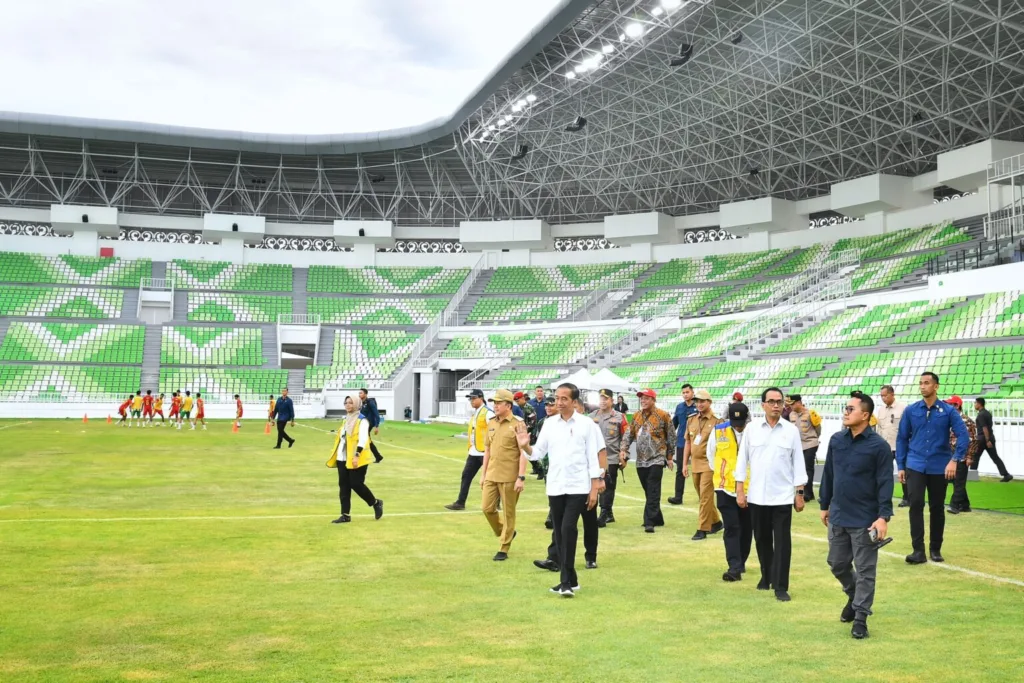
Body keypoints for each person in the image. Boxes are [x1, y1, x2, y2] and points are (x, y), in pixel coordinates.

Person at [819, 392, 893, 640]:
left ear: (865, 415)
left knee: (865, 571)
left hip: (865, 519)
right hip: (838, 515)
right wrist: (824, 503)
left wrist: (883, 517)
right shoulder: (836, 440)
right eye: (845, 408)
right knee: (837, 564)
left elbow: (885, 483)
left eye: (850, 409)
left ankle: (861, 616)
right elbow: (828, 473)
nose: (845, 412)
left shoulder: (879, 446)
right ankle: (853, 596)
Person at [521, 383, 604, 597]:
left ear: (574, 401)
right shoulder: (549, 424)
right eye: (557, 398)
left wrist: (595, 487)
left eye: (564, 398)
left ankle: (565, 582)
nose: (559, 402)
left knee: (568, 529)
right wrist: (525, 445)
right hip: (556, 485)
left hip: (579, 485)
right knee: (559, 533)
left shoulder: (587, 424)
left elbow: (593, 457)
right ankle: (572, 578)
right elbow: (537, 453)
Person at [735, 387, 806, 602]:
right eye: (771, 401)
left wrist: (799, 492)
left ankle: (781, 585)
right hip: (757, 496)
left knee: (783, 542)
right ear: (763, 405)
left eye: (779, 401)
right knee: (762, 539)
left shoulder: (791, 430)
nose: (776, 405)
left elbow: (798, 463)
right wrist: (740, 489)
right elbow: (742, 460)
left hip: (783, 496)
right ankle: (766, 576)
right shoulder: (752, 429)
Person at [896, 372, 968, 564]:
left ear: (936, 386)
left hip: (939, 466)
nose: (922, 386)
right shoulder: (911, 410)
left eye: (926, 383)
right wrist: (901, 465)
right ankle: (917, 551)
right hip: (915, 464)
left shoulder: (949, 411)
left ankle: (935, 549)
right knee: (916, 504)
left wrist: (955, 460)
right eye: (920, 383)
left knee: (937, 507)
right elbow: (902, 438)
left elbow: (963, 436)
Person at [480, 389, 529, 561]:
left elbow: (524, 452)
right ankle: (505, 532)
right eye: (494, 403)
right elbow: (487, 449)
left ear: (508, 405)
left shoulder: (518, 424)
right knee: (487, 508)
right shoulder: (492, 423)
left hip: (510, 476)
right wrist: (483, 474)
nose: (495, 406)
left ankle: (504, 548)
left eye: (498, 403)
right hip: (492, 474)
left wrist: (521, 477)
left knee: (509, 513)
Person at [621, 388, 676, 533]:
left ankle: (649, 521)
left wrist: (670, 457)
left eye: (646, 398)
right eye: (641, 398)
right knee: (649, 490)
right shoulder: (637, 416)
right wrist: (624, 449)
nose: (643, 401)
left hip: (657, 458)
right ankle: (657, 517)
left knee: (652, 488)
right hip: (641, 459)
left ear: (653, 400)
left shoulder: (663, 415)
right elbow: (629, 434)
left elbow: (671, 437)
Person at [708, 401, 752, 581]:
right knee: (732, 527)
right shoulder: (719, 431)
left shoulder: (754, 432)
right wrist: (721, 473)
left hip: (750, 488)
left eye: (741, 423)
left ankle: (741, 561)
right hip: (724, 487)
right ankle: (734, 566)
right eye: (735, 424)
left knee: (747, 528)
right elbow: (711, 455)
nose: (738, 427)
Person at [326, 395, 383, 523]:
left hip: (357, 458)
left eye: (350, 403)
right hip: (343, 458)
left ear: (357, 404)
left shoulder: (362, 420)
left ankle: (375, 503)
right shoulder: (346, 420)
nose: (347, 405)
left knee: (356, 484)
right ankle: (345, 515)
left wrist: (356, 455)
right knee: (344, 486)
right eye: (346, 403)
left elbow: (363, 439)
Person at [682, 389, 724, 540]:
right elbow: (688, 442)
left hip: (710, 464)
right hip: (695, 463)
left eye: (702, 401)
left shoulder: (717, 421)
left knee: (706, 497)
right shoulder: (691, 419)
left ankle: (702, 528)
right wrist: (684, 464)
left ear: (709, 402)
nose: (699, 404)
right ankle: (717, 522)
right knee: (702, 496)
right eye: (697, 401)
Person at [445, 389, 493, 510]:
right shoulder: (476, 413)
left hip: (484, 452)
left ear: (481, 398)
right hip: (474, 451)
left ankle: (495, 503)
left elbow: (494, 430)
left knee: (490, 479)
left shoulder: (488, 413)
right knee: (466, 476)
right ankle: (461, 502)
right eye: (470, 398)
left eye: (473, 398)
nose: (471, 401)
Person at [592, 389, 627, 526]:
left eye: (605, 399)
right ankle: (608, 513)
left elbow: (626, 436)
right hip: (593, 458)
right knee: (594, 485)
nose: (602, 401)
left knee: (608, 486)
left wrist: (624, 454)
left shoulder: (619, 417)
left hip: (611, 457)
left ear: (612, 401)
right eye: (601, 398)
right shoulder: (591, 416)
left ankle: (604, 513)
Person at [876, 385, 908, 507]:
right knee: (885, 474)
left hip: (900, 446)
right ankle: (885, 497)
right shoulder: (881, 410)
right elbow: (880, 429)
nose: (883, 398)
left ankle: (907, 498)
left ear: (892, 394)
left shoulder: (903, 408)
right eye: (881, 396)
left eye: (885, 395)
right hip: (885, 446)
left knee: (903, 472)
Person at [786, 394, 822, 502]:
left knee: (807, 468)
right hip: (797, 445)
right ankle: (805, 492)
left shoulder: (811, 413)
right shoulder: (791, 414)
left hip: (810, 444)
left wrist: (813, 439)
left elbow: (818, 429)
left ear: (798, 403)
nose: (791, 406)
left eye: (792, 404)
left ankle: (807, 493)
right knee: (797, 468)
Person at [947, 396, 979, 515]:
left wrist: (970, 456)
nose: (947, 407)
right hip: (950, 456)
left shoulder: (967, 421)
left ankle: (954, 505)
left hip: (962, 455)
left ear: (957, 406)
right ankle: (965, 505)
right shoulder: (948, 420)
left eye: (950, 404)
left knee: (959, 481)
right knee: (956, 481)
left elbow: (973, 440)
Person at [669, 384, 697, 505]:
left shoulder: (699, 406)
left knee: (701, 469)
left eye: (687, 392)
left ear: (692, 393)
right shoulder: (679, 407)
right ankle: (678, 497)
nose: (685, 394)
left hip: (697, 443)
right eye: (683, 392)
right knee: (680, 470)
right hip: (682, 442)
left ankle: (705, 495)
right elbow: (674, 423)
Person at [974, 398, 1013, 482]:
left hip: (983, 439)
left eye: (975, 403)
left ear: (979, 404)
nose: (974, 405)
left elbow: (984, 428)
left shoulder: (981, 415)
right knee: (995, 457)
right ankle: (1006, 474)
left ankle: (972, 474)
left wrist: (987, 440)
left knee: (975, 456)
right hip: (990, 437)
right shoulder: (987, 413)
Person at [359, 388, 385, 463]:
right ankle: (378, 456)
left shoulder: (370, 402)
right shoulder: (361, 403)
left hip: (369, 423)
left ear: (365, 394)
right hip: (364, 423)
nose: (359, 394)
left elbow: (376, 414)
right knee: (366, 439)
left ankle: (376, 456)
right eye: (359, 393)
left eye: (361, 393)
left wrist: (377, 426)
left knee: (364, 438)